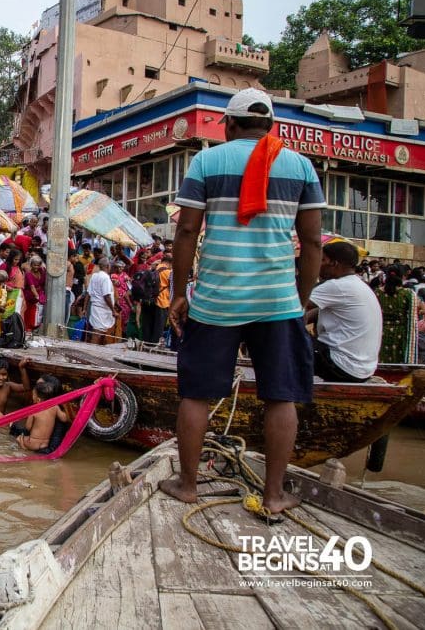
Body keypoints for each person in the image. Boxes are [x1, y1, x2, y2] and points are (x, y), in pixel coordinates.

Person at [163, 87, 324, 518]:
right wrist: (301, 299)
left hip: (218, 299)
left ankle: (189, 485)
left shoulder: (207, 161)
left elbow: (186, 232)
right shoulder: (301, 166)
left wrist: (180, 292)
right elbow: (311, 242)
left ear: (230, 125)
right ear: (271, 126)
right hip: (278, 302)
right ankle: (274, 495)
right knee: (281, 397)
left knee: (196, 395)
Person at [305, 242, 382, 382]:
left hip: (341, 366)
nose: (319, 264)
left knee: (284, 335)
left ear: (334, 263)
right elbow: (313, 311)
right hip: (361, 369)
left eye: (323, 260)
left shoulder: (337, 286)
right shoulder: (357, 284)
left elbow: (293, 307)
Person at [10, 375, 65, 452]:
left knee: (19, 438)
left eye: (33, 394)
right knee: (14, 428)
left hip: (33, 444)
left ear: (38, 399)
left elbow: (28, 428)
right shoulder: (55, 407)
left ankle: (23, 447)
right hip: (44, 445)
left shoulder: (34, 411)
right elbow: (64, 418)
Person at [376, 274, 419, 364]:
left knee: (383, 354)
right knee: (398, 356)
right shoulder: (407, 293)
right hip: (400, 330)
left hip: (381, 330)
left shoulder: (378, 293)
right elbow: (413, 315)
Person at [86, 257, 117, 344]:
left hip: (96, 307)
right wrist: (113, 310)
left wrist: (85, 308)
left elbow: (88, 293)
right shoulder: (105, 278)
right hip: (101, 309)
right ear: (107, 266)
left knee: (100, 331)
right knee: (97, 332)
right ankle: (91, 351)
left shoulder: (95, 276)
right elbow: (106, 296)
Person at [22, 255, 47, 332]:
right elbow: (32, 287)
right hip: (30, 297)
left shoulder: (42, 271)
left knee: (38, 316)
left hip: (40, 296)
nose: (36, 267)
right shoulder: (28, 274)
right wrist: (37, 297)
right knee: (30, 316)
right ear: (31, 265)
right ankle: (27, 330)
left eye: (38, 265)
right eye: (34, 265)